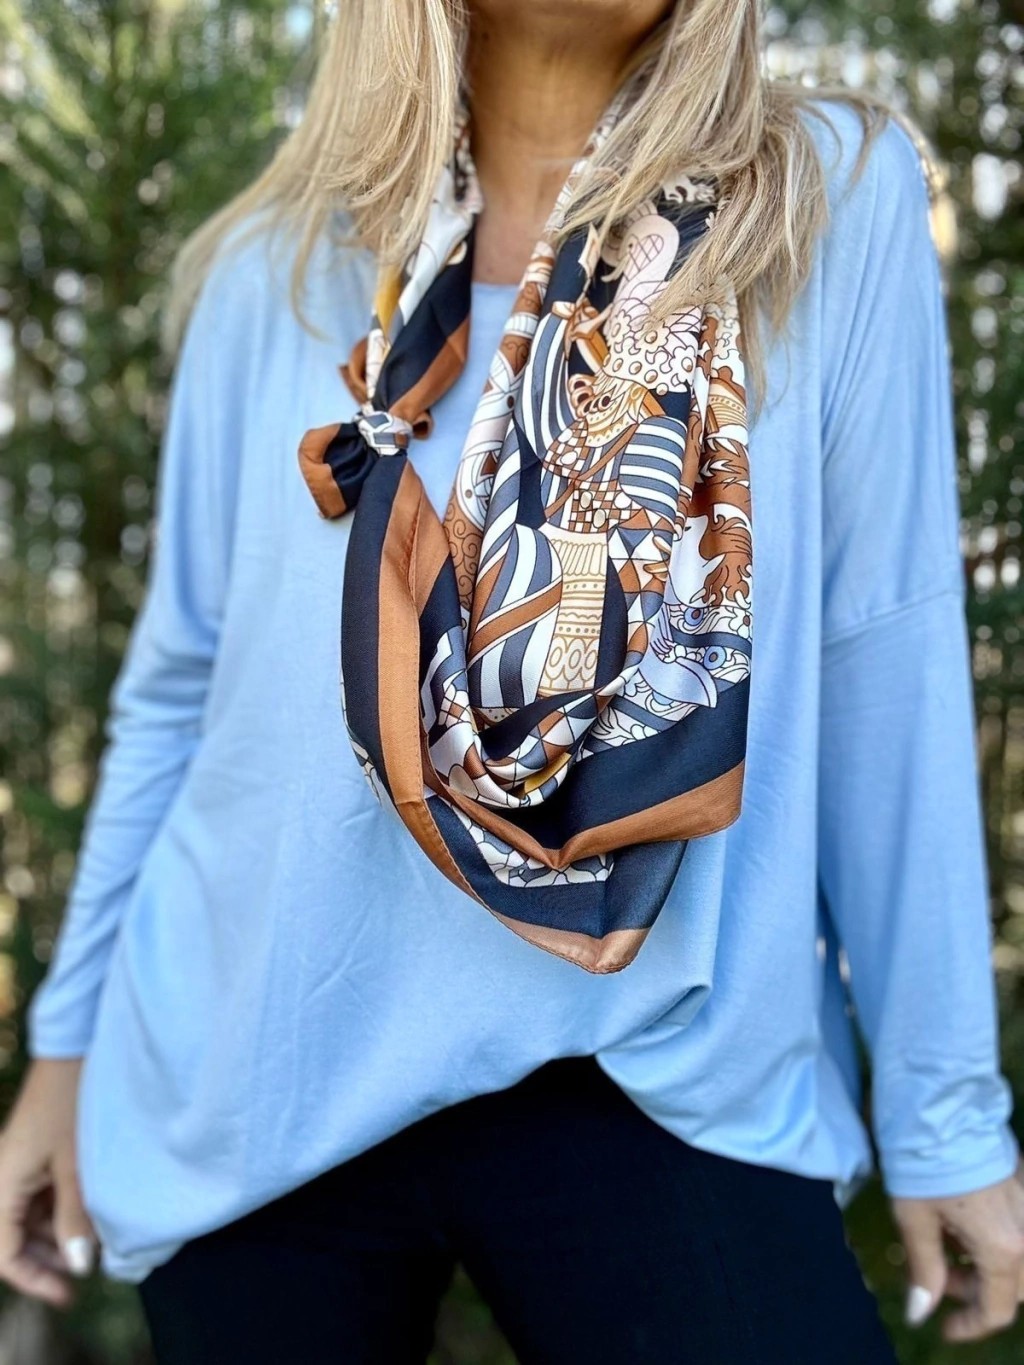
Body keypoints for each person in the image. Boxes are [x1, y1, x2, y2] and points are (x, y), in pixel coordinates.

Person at [1, 0, 1022, 1360]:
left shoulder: (820, 199)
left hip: (653, 1064)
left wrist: (946, 1113)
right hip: (261, 1064)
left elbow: (883, 653)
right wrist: (65, 1056)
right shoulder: (276, 264)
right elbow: (185, 686)